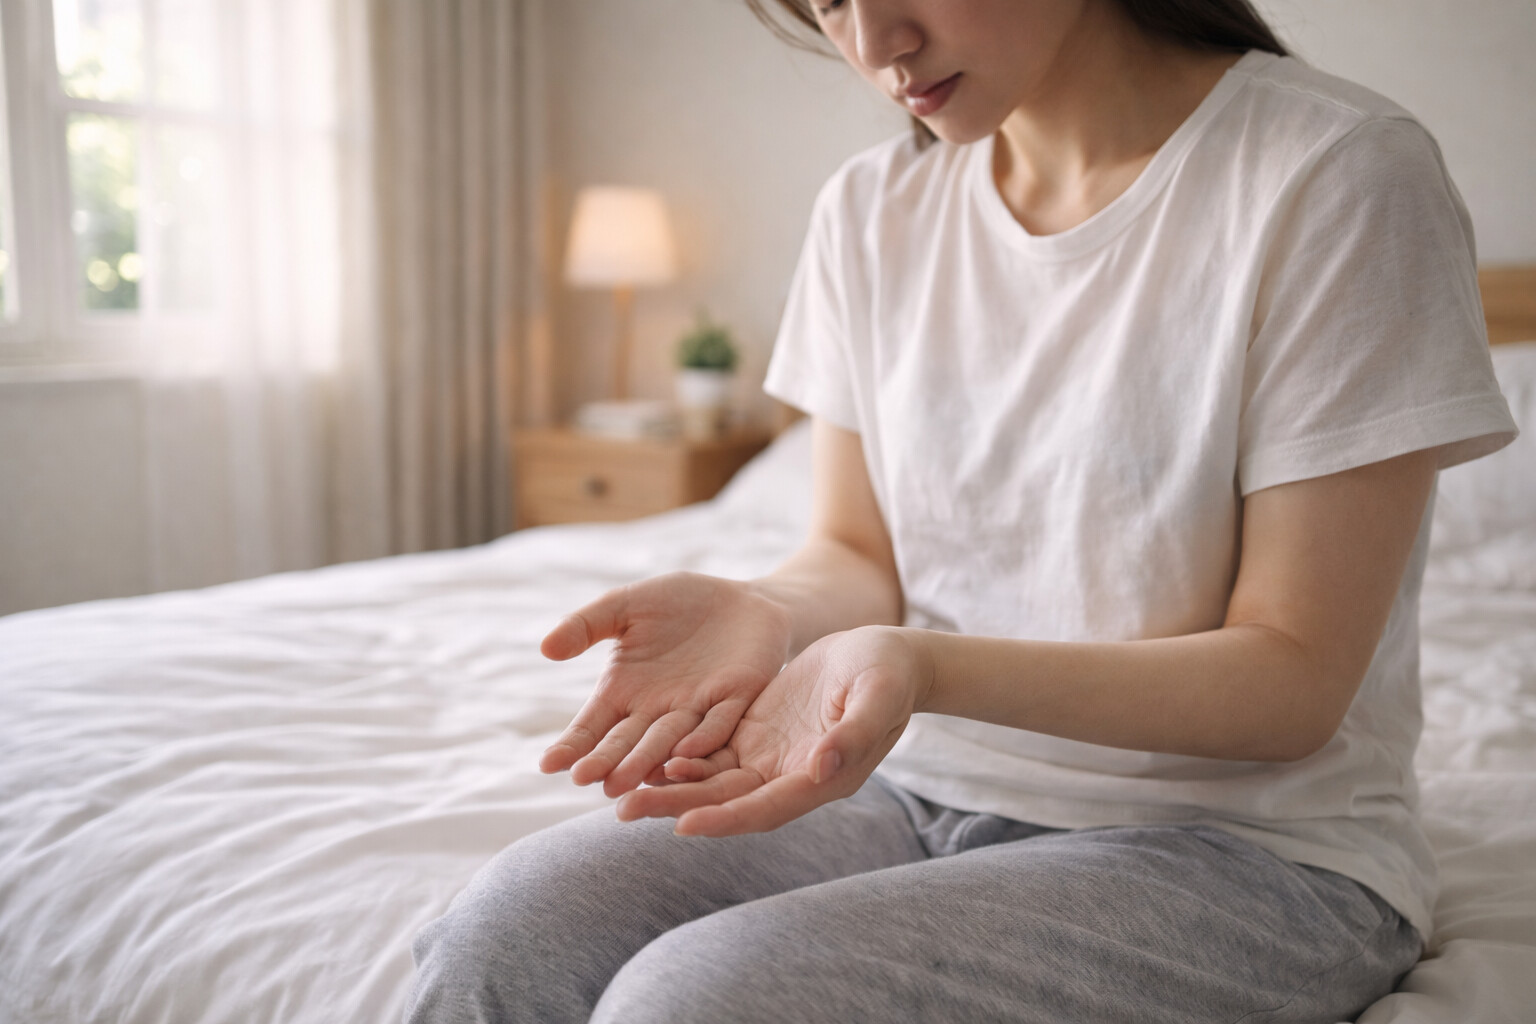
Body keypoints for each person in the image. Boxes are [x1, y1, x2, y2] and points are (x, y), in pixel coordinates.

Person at [406, 1, 1518, 1021]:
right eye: (826, 2)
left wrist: (925, 668)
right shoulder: (871, 209)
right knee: (501, 934)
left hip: (1251, 848)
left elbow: (1292, 681)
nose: (873, 44)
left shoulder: (1334, 174)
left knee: (694, 1000)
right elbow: (852, 553)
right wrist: (771, 610)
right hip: (916, 785)